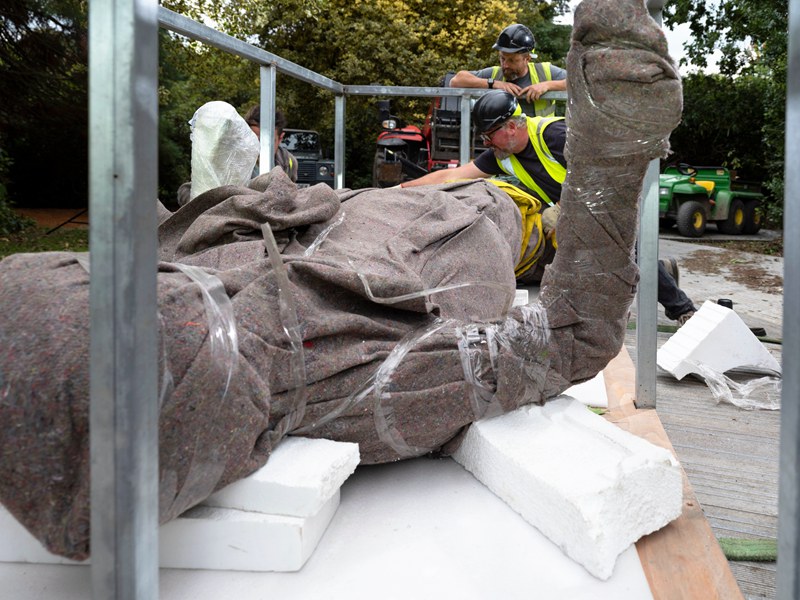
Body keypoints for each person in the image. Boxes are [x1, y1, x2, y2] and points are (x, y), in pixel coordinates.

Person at [449, 24, 567, 118]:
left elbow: (579, 82)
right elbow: (456, 81)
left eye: (512, 60)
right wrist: (494, 83)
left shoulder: (545, 72)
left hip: (539, 143)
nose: (505, 65)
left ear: (527, 59)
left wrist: (548, 85)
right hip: (505, 144)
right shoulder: (495, 74)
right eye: (502, 58)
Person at [244, 105, 299, 183]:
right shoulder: (234, 160)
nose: (259, 147)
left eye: (267, 143)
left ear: (280, 138)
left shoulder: (288, 161)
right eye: (254, 140)